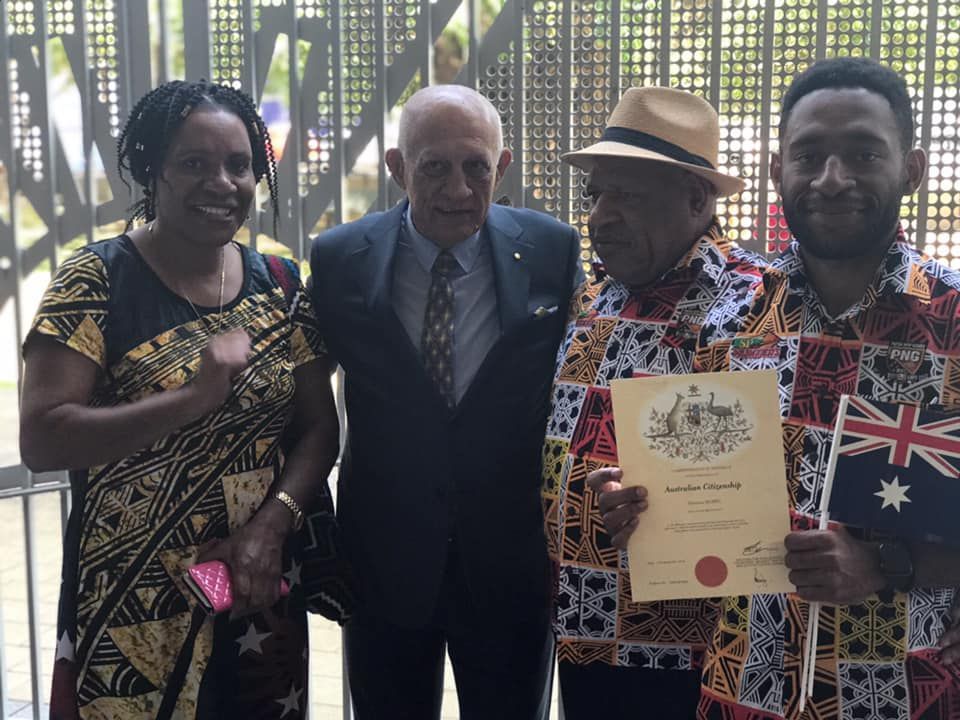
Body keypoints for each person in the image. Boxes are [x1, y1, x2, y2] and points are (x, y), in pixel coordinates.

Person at [591, 58, 960, 719]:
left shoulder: (952, 322)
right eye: (809, 155)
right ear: (775, 171)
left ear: (912, 169)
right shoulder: (721, 320)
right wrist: (640, 510)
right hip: (744, 691)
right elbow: (694, 499)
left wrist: (886, 564)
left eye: (863, 154)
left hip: (901, 693)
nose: (832, 179)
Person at [19, 80, 344, 719]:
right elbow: (43, 438)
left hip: (254, 592)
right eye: (194, 163)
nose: (221, 183)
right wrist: (192, 397)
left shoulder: (279, 285)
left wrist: (271, 526)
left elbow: (318, 429)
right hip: (129, 610)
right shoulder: (96, 280)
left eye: (239, 165)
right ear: (153, 170)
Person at [309, 84, 582, 719]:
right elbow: (302, 395)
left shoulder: (553, 249)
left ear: (501, 167)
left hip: (509, 563)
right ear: (398, 167)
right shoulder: (340, 258)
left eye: (476, 167)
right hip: (385, 563)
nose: (458, 189)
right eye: (434, 167)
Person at [541, 86, 765, 719]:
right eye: (596, 196)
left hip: (686, 650)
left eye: (628, 196)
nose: (600, 217)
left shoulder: (755, 307)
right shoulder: (596, 298)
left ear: (696, 199)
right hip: (583, 623)